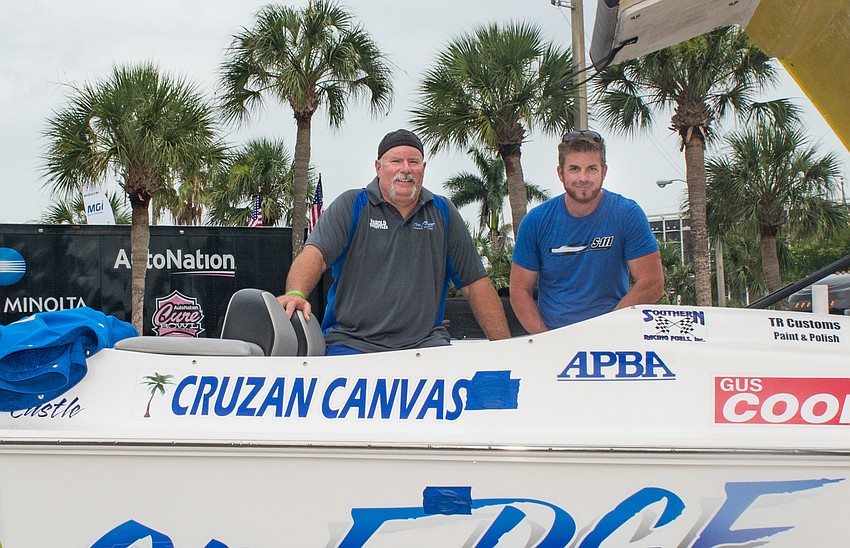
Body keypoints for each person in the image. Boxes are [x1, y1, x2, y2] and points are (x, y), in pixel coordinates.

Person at [277, 129, 511, 355]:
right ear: (378, 167)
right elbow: (315, 255)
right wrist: (296, 293)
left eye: (413, 162)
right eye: (396, 161)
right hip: (351, 344)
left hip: (426, 346)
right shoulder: (352, 204)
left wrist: (506, 352)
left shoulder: (443, 211)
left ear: (423, 168)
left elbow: (475, 283)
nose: (405, 169)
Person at [510, 130, 664, 333]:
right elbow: (519, 291)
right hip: (554, 339)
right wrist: (546, 339)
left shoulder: (627, 214)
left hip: (613, 337)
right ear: (560, 173)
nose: (583, 178)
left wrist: (608, 329)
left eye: (591, 169)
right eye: (574, 169)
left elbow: (652, 283)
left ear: (604, 172)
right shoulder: (535, 222)